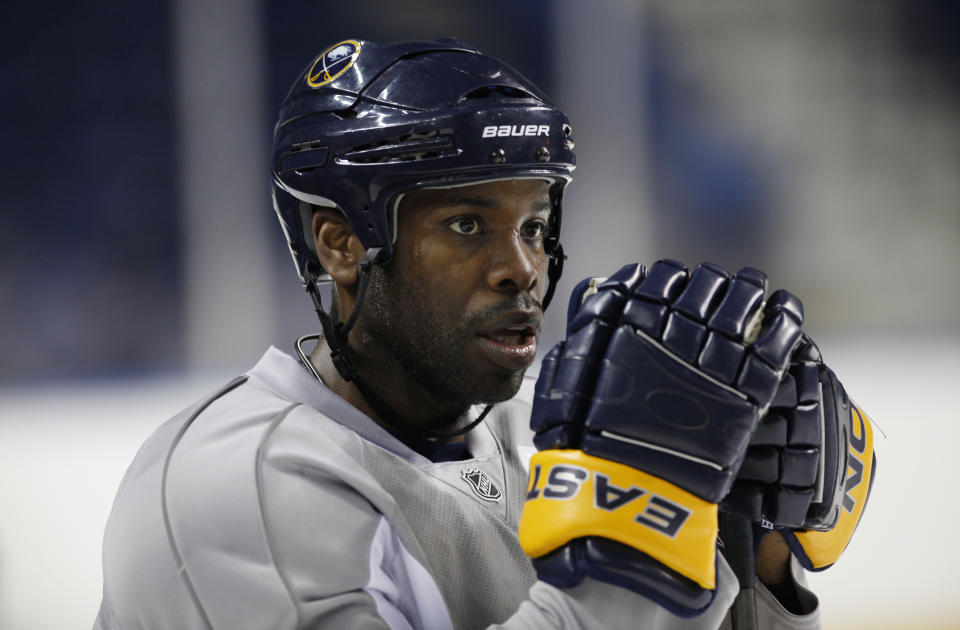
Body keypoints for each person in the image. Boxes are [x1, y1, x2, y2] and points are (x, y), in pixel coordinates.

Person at [94, 38, 877, 630]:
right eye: (467, 225)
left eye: (534, 226)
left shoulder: (548, 428)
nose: (521, 270)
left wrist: (750, 548)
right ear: (340, 245)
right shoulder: (241, 487)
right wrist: (636, 560)